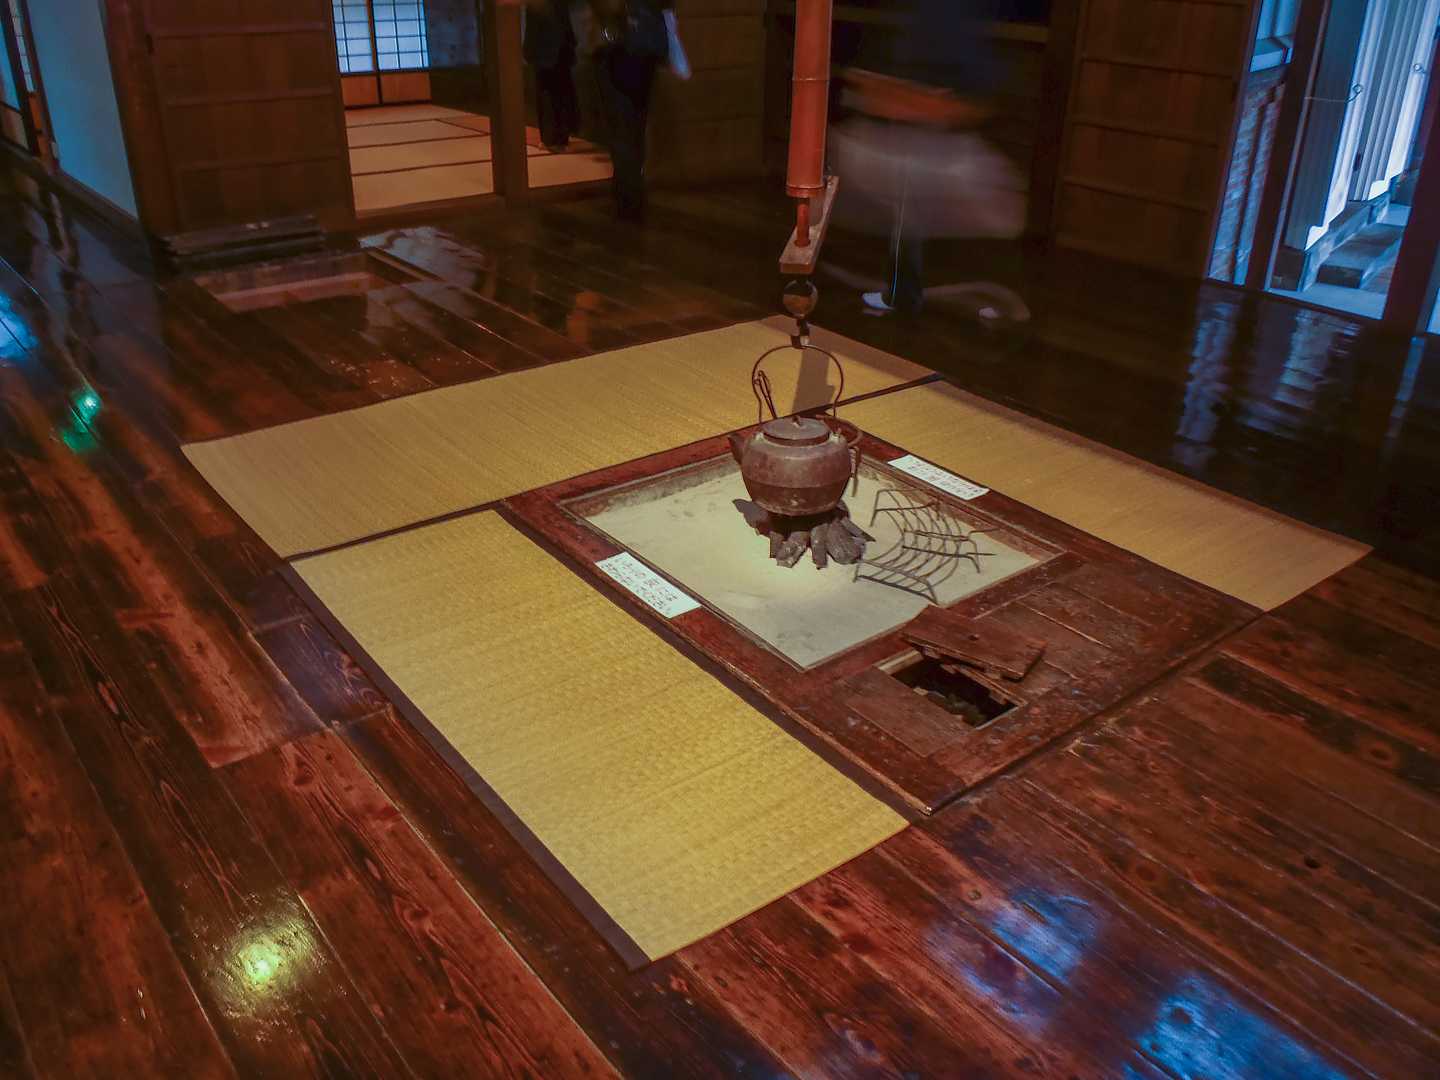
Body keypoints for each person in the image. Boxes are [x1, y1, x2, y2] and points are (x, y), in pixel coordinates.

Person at [837, 0, 1028, 321]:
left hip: (933, 146)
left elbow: (970, 102)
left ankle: (919, 292)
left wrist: (917, 103)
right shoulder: (919, 22)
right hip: (901, 144)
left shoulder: (950, 20)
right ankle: (904, 292)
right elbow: (871, 85)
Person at [589, 0, 671, 221]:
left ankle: (628, 197)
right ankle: (631, 191)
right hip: (647, 44)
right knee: (636, 123)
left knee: (621, 125)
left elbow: (610, 6)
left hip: (619, 46)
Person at [523, 0, 580, 152]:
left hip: (547, 51)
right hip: (557, 50)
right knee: (558, 95)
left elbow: (533, 27)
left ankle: (552, 138)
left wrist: (529, 50)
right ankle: (559, 137)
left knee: (548, 96)